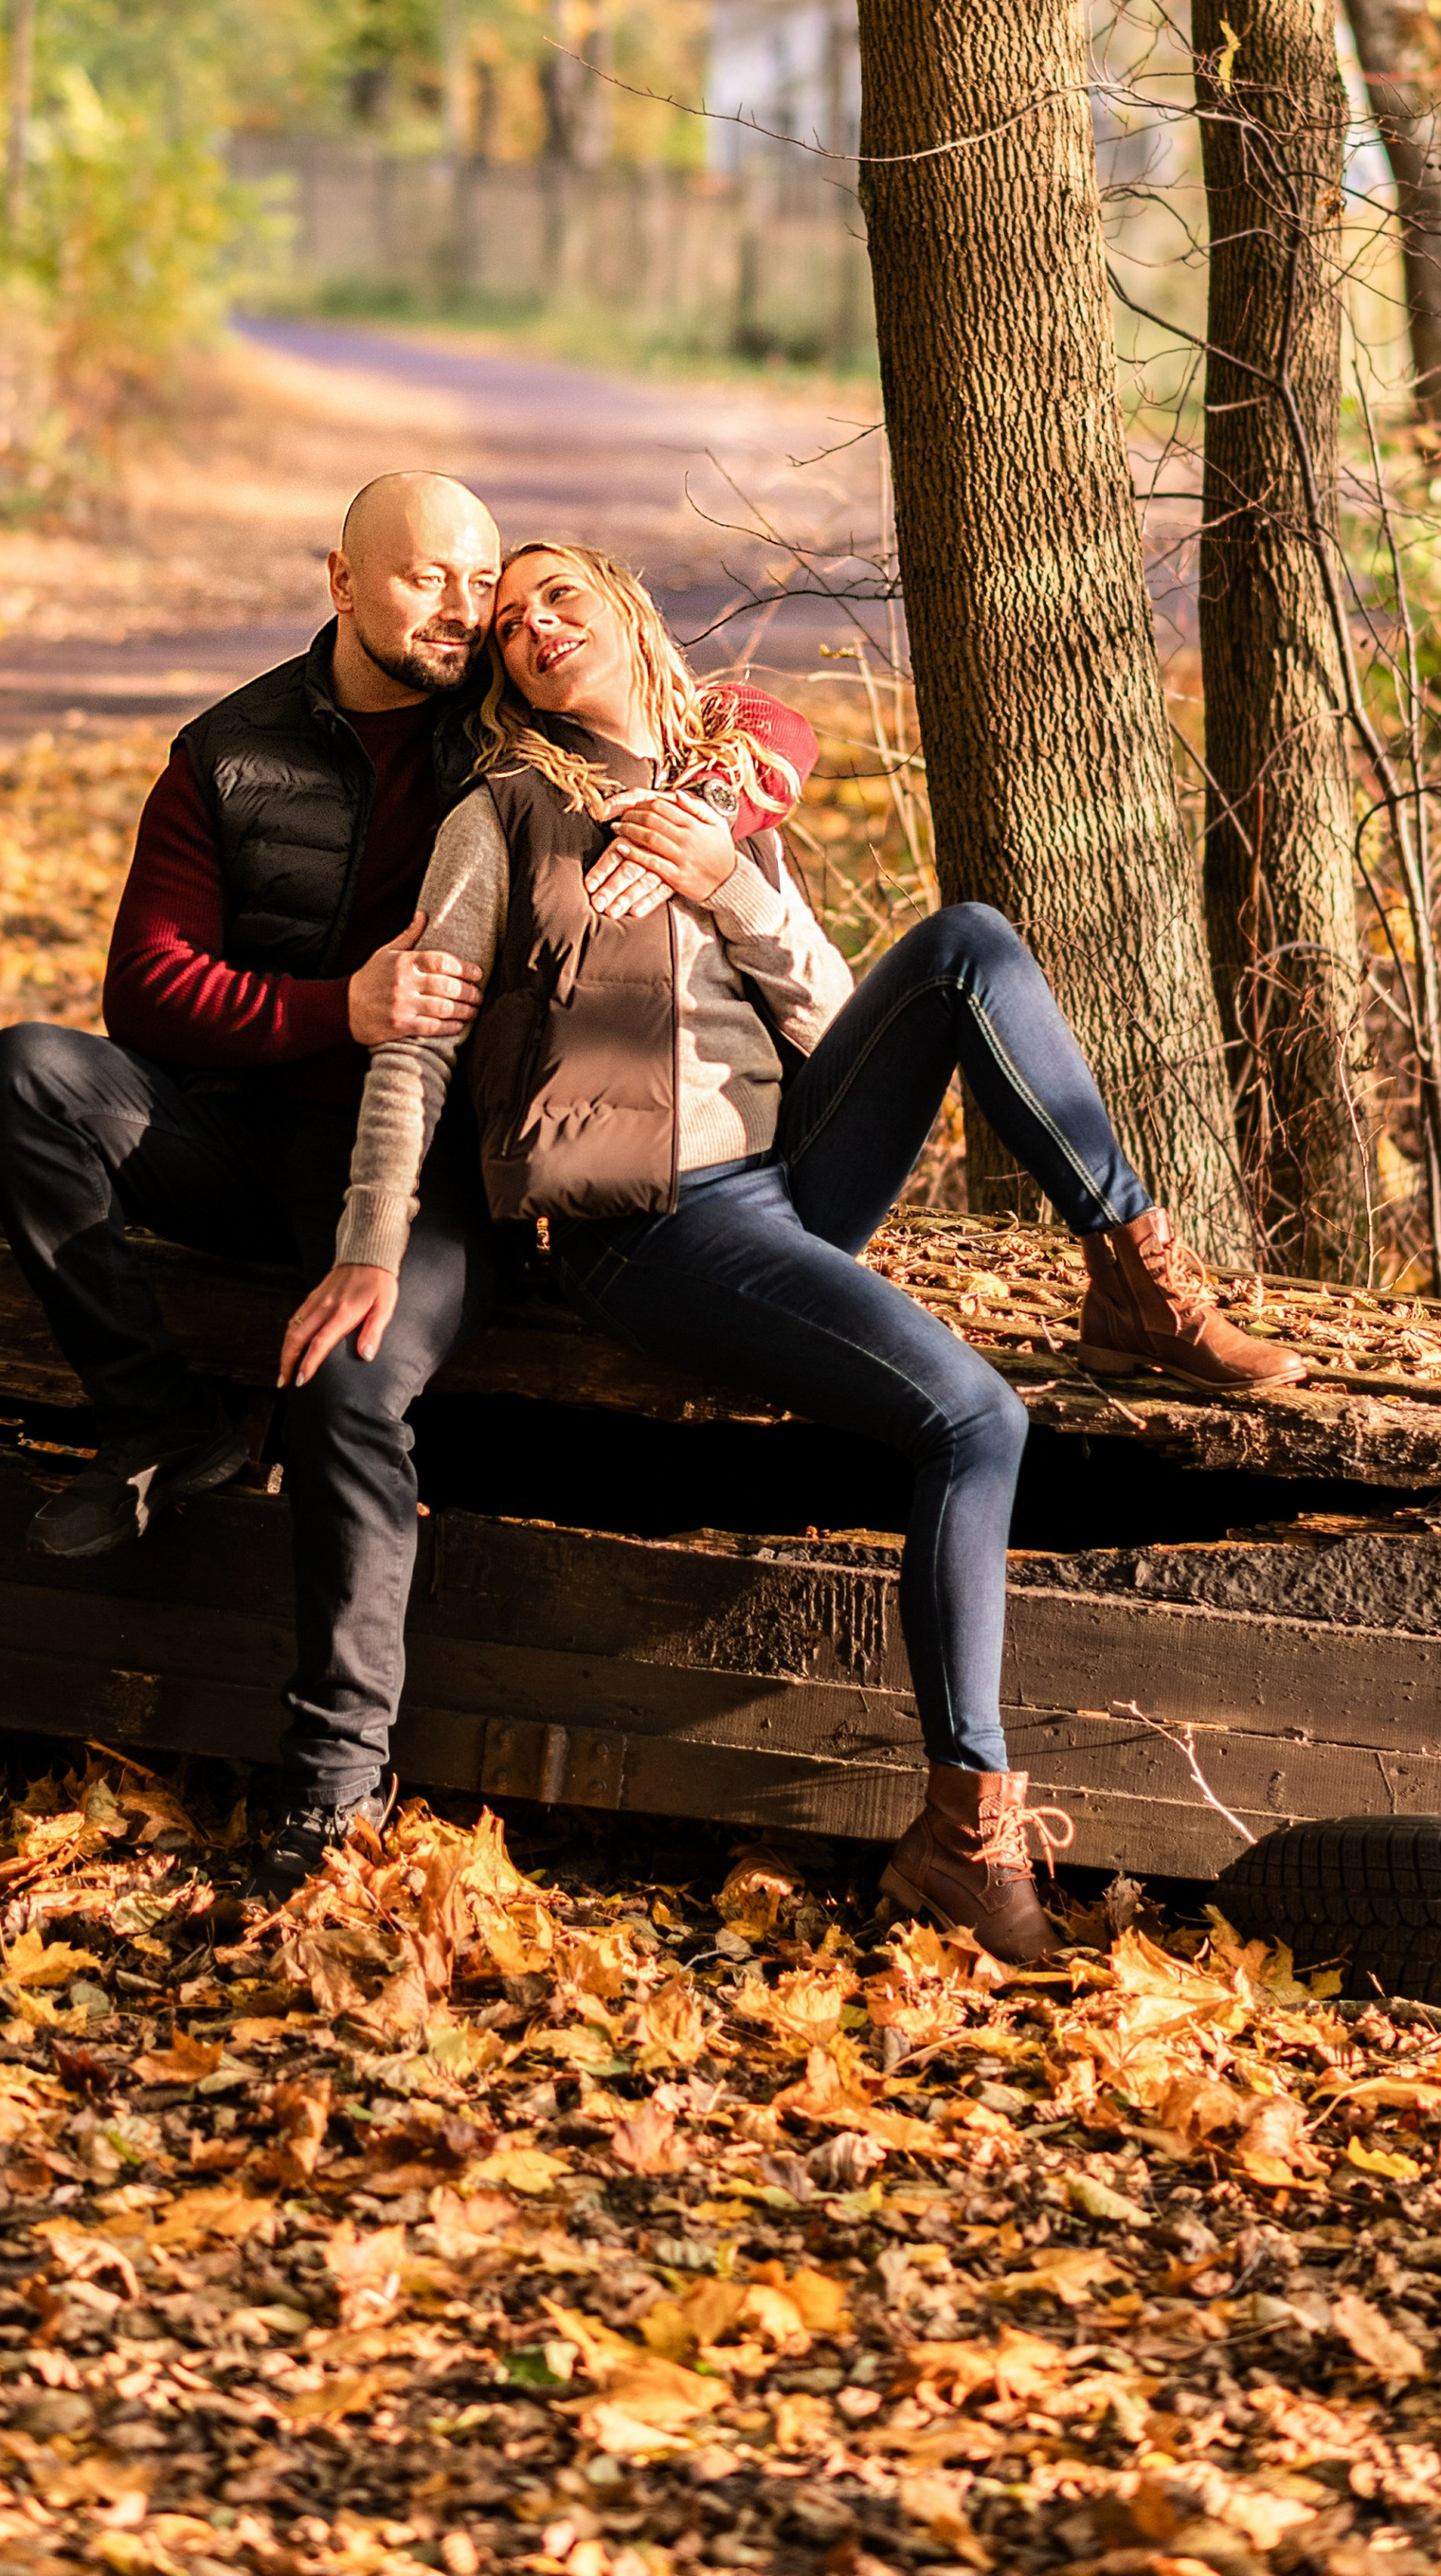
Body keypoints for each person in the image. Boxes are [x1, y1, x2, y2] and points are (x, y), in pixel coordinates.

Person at [280, 538, 1303, 1961]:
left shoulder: (722, 800)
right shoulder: (499, 813)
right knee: (972, 1416)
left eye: (559, 591)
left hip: (788, 1166)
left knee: (966, 942)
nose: (533, 624)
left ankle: (1136, 1268)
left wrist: (729, 884)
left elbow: (827, 1015)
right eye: (509, 625)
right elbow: (419, 1046)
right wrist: (370, 1241)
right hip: (654, 1226)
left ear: (628, 609)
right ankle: (966, 1829)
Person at [0, 474, 818, 1902]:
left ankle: (334, 1788)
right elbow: (147, 994)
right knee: (23, 1073)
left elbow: (752, 717)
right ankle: (159, 1421)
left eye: (480, 583)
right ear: (342, 581)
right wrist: (328, 1009)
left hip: (430, 1170)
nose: (468, 610)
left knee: (350, 1386)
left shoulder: (509, 717)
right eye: (429, 579)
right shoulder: (231, 754)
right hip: (248, 1132)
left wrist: (723, 787)